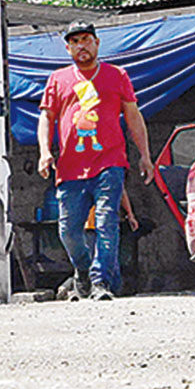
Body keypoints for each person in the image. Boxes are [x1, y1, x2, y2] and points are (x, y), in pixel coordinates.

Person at [38, 21, 154, 301]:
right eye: (75, 41)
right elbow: (46, 117)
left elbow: (133, 116)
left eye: (86, 39)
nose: (82, 45)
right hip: (70, 168)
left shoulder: (116, 76)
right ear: (68, 48)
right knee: (68, 231)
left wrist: (145, 156)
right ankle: (82, 271)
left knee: (107, 223)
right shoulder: (58, 79)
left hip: (109, 162)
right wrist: (45, 151)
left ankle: (101, 282)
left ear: (97, 43)